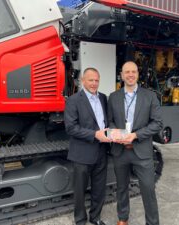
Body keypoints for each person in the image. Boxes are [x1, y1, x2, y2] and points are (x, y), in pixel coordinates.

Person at [108, 61, 163, 225]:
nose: (130, 75)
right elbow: (109, 122)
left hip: (142, 151)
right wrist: (115, 132)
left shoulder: (150, 96)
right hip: (120, 151)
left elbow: (157, 123)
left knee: (148, 189)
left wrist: (136, 135)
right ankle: (123, 218)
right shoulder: (114, 97)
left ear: (137, 74)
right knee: (122, 187)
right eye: (127, 72)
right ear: (122, 75)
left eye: (133, 72)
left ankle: (152, 222)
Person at [64, 68, 110, 225]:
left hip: (101, 152)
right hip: (82, 153)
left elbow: (106, 123)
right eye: (90, 80)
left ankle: (95, 218)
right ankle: (80, 220)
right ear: (83, 81)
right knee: (80, 191)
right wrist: (94, 135)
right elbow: (71, 128)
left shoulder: (104, 98)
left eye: (97, 80)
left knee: (99, 189)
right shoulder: (74, 100)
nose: (94, 83)